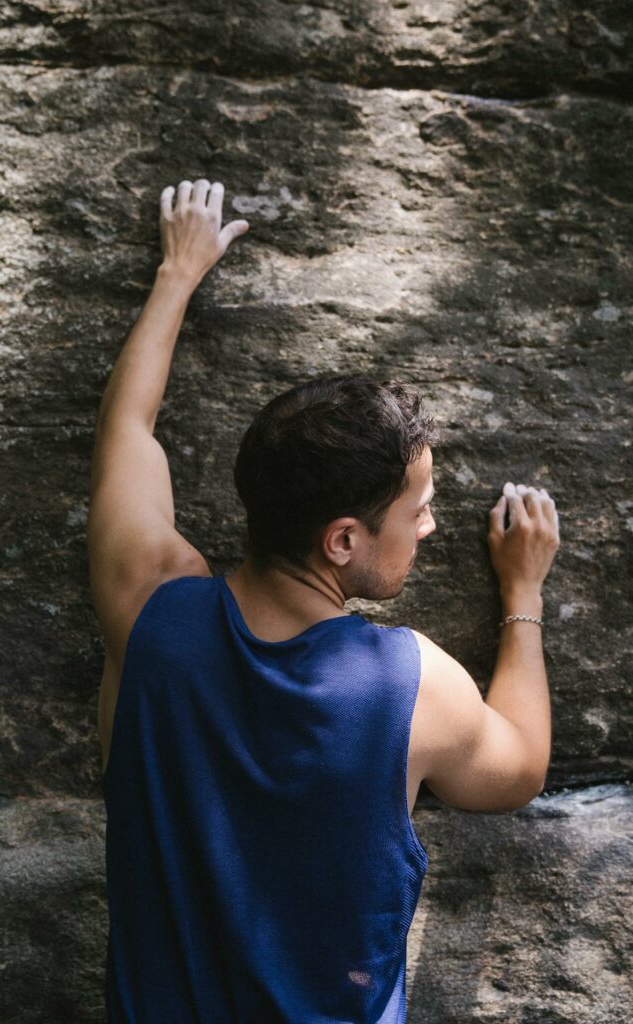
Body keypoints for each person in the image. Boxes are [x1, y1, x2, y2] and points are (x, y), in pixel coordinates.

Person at [88, 179, 560, 1023]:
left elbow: (128, 428)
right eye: (414, 510)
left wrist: (178, 273)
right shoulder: (406, 686)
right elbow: (518, 765)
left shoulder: (149, 602)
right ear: (341, 541)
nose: (429, 524)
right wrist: (522, 592)